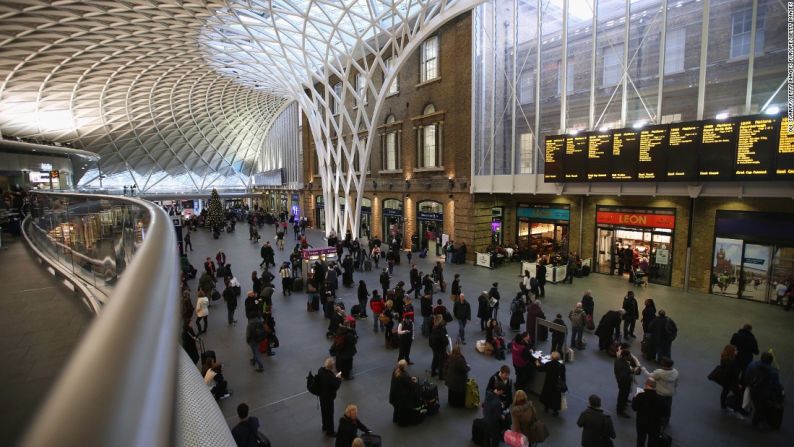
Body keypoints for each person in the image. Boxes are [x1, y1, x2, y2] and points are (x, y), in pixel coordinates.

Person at [745, 351, 784, 429]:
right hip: (765, 393)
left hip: (753, 389)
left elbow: (746, 376)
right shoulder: (773, 371)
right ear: (770, 361)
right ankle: (756, 422)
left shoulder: (752, 364)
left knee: (757, 405)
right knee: (760, 407)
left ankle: (758, 418)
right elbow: (776, 385)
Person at [643, 357, 678, 428]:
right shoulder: (675, 372)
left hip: (660, 393)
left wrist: (644, 369)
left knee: (658, 408)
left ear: (664, 365)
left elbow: (650, 376)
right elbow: (676, 383)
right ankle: (665, 421)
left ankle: (658, 422)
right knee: (667, 407)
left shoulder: (659, 372)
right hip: (670, 393)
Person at [632, 378, 664, 447]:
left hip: (642, 423)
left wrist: (634, 397)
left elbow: (634, 408)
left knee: (641, 440)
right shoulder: (660, 398)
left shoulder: (640, 396)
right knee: (652, 441)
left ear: (646, 385)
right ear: (655, 387)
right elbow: (664, 412)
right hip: (655, 424)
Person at [390, 360, 422, 425]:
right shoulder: (403, 376)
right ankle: (403, 422)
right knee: (403, 410)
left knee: (397, 409)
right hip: (403, 397)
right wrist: (415, 382)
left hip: (395, 395)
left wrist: (410, 378)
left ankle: (396, 419)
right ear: (404, 367)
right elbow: (411, 385)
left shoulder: (396, 371)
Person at [317, 358, 343, 437]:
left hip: (322, 396)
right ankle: (330, 431)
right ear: (331, 367)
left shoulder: (320, 370)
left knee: (324, 412)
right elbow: (336, 386)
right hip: (328, 398)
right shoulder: (329, 376)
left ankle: (325, 426)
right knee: (330, 414)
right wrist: (338, 378)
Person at [536, 351, 566, 416]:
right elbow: (563, 376)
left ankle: (546, 408)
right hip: (557, 384)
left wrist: (538, 363)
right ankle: (555, 411)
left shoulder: (548, 364)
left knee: (547, 395)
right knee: (556, 397)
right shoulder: (561, 366)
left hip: (548, 383)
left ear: (551, 357)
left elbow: (540, 369)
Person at [717, 344, 744, 415]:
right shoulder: (733, 362)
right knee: (739, 396)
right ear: (732, 352)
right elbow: (735, 374)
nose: (737, 351)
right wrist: (738, 384)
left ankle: (723, 405)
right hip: (732, 382)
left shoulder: (724, 358)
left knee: (725, 391)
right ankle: (736, 409)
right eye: (735, 350)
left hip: (726, 380)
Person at [445, 343, 470, 407]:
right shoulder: (460, 360)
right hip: (458, 380)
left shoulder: (449, 357)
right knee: (459, 393)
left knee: (452, 391)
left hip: (450, 378)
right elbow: (464, 370)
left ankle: (451, 402)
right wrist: (468, 367)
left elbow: (446, 367)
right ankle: (458, 405)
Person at [483, 383, 508, 447]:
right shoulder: (497, 402)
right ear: (501, 390)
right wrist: (502, 416)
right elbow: (496, 416)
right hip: (493, 423)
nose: (502, 393)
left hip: (485, 417)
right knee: (495, 438)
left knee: (486, 435)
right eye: (502, 392)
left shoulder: (488, 393)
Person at [614, 349, 636, 418]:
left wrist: (630, 371)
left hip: (621, 381)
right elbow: (624, 377)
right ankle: (620, 411)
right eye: (629, 356)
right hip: (624, 384)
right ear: (625, 356)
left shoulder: (618, 360)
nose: (631, 357)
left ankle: (625, 401)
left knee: (623, 394)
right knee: (622, 395)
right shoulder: (623, 365)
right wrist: (631, 376)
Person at [429, 315, 449, 379]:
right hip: (441, 348)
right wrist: (447, 342)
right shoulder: (441, 330)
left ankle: (433, 372)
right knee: (441, 362)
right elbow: (444, 340)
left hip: (434, 347)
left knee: (435, 359)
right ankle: (441, 376)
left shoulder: (434, 327)